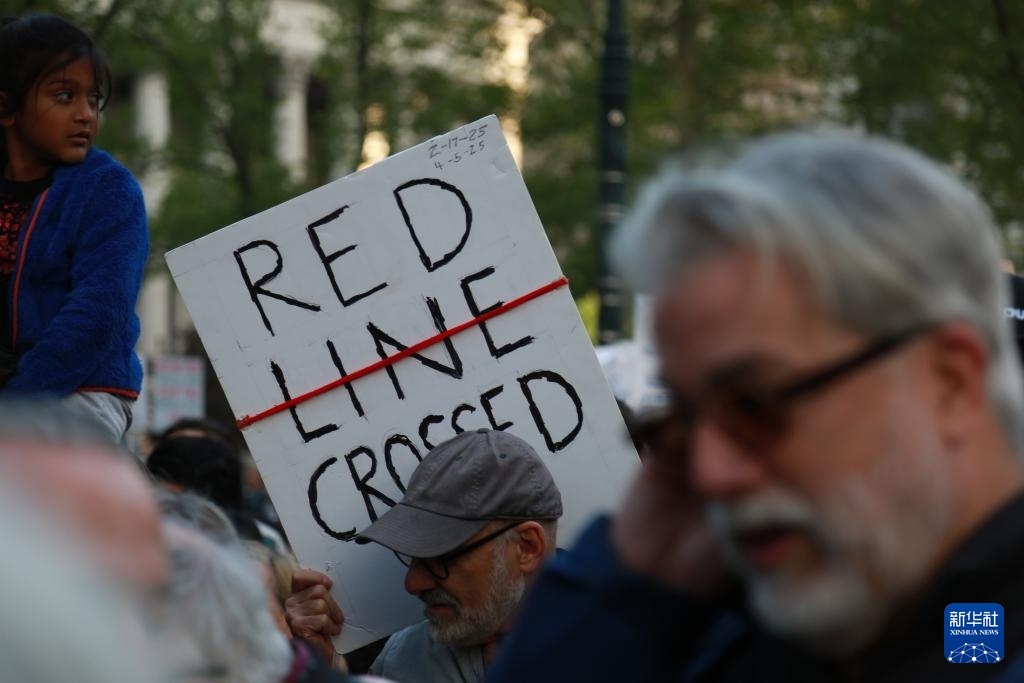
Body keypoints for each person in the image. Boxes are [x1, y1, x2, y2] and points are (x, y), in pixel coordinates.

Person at [488, 131, 1024, 682]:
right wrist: (633, 589)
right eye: (681, 422)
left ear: (949, 382)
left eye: (755, 405)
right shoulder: (755, 618)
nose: (708, 474)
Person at [289, 428, 563, 683]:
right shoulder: (403, 659)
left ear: (526, 547)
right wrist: (321, 669)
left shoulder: (591, 644)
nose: (413, 583)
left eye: (442, 557)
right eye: (412, 555)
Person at [0, 14, 148, 443]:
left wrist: (16, 403)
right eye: (65, 96)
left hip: (81, 389)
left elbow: (98, 315)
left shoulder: (108, 189)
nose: (86, 114)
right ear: (6, 108)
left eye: (94, 98)